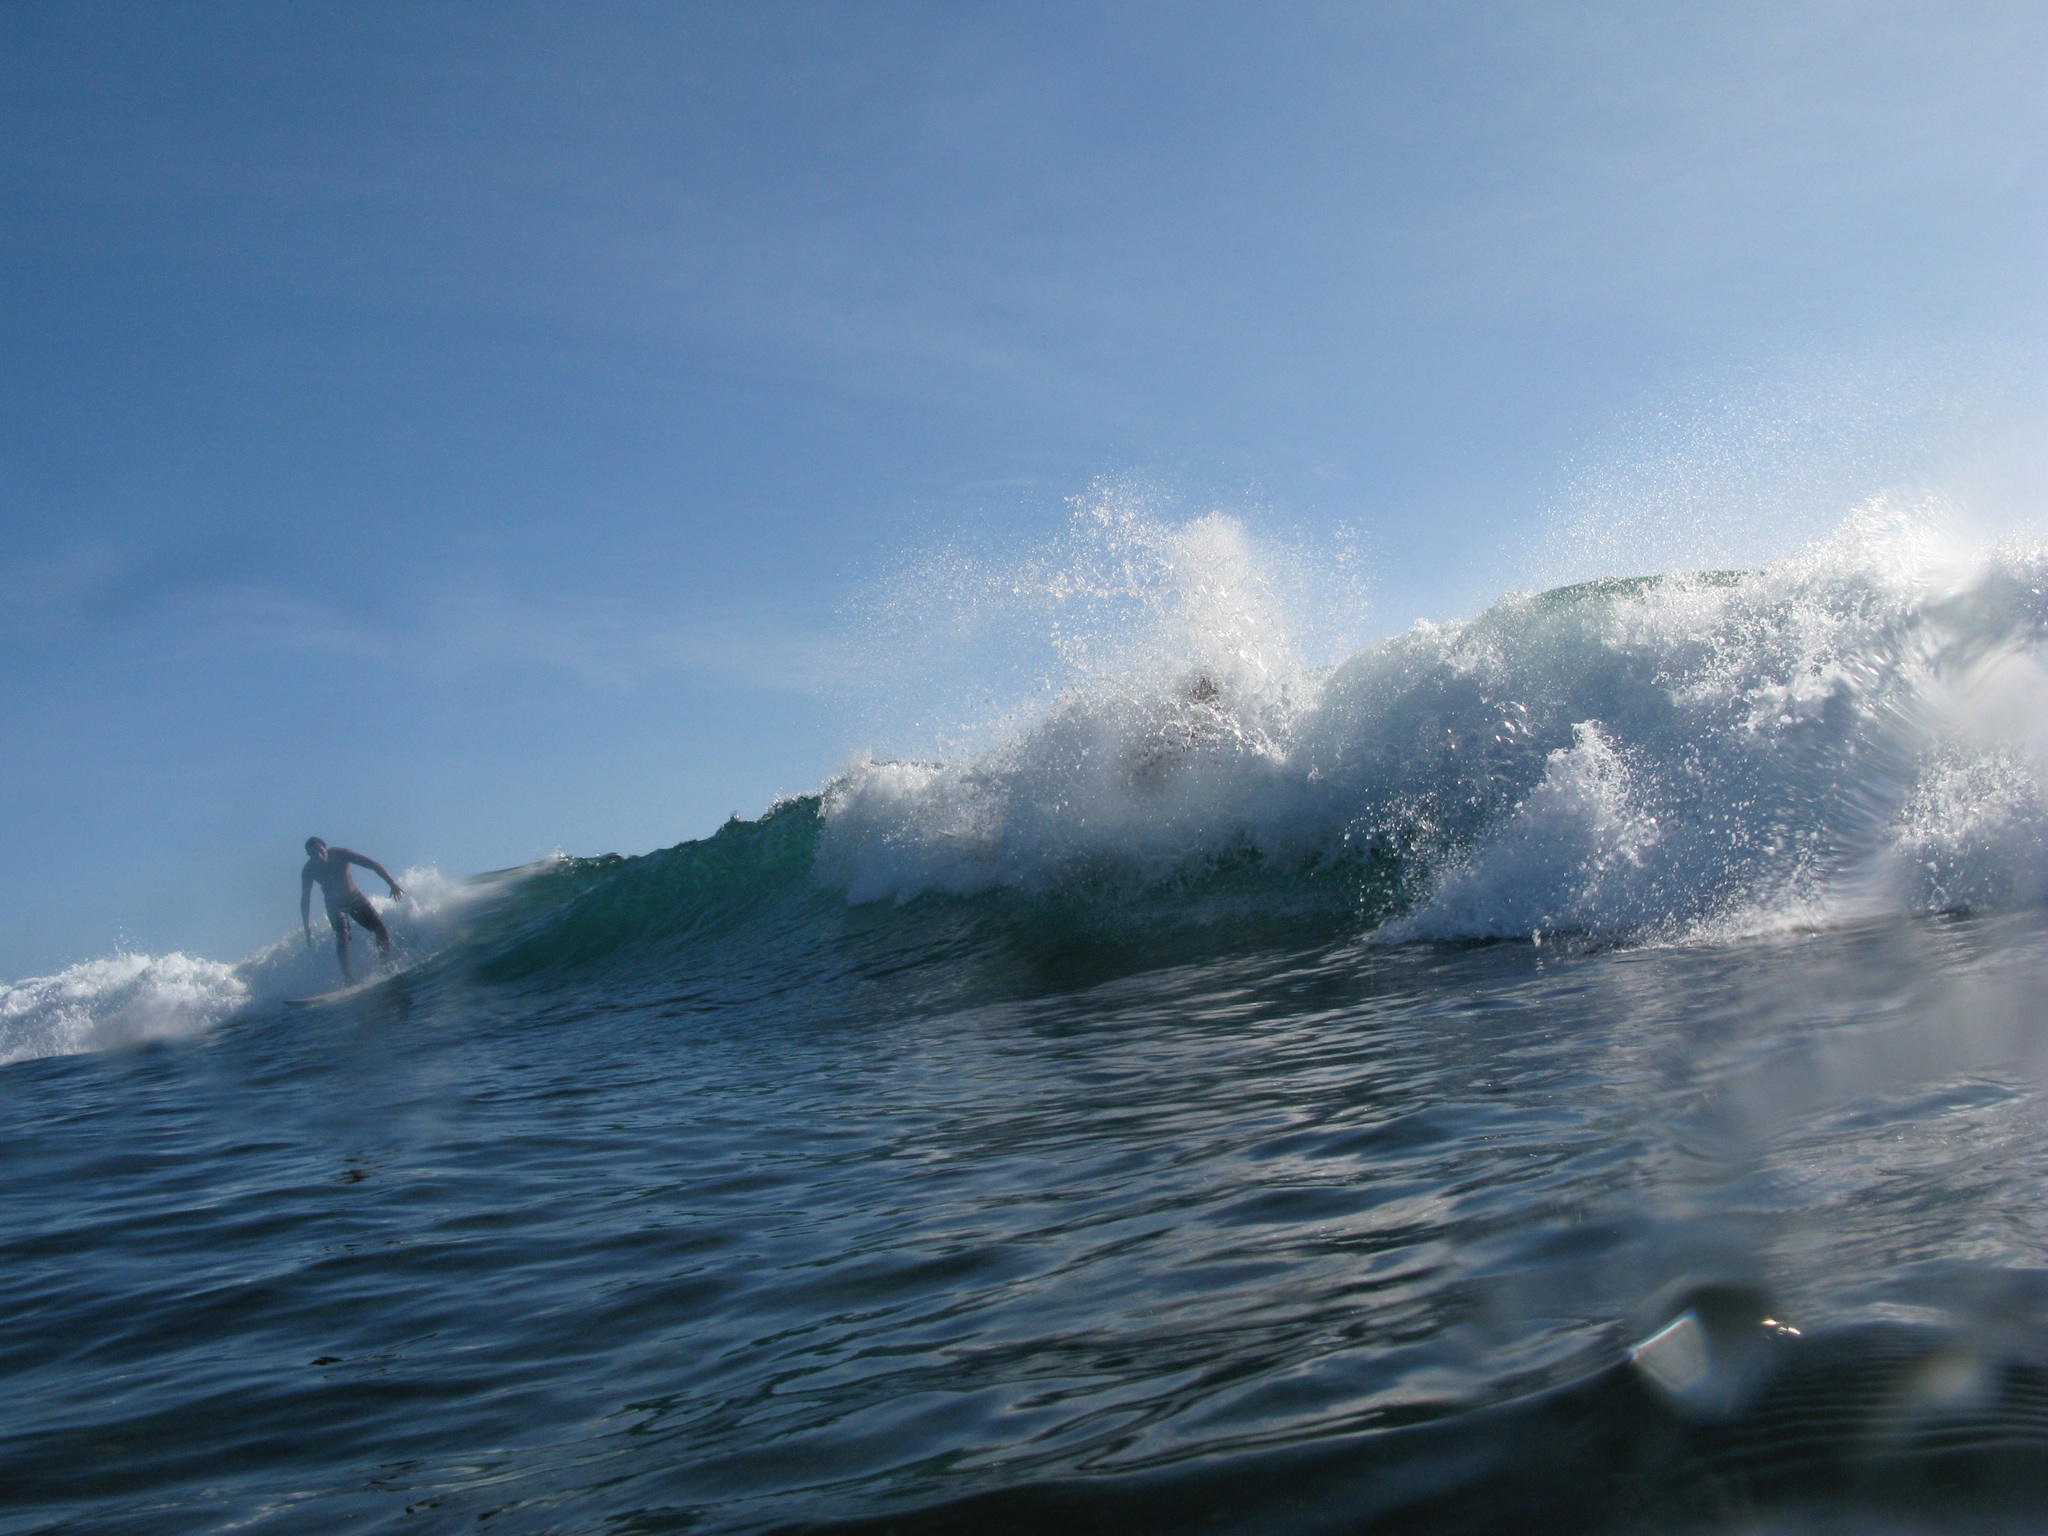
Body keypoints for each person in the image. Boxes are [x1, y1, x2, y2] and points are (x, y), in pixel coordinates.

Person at [301, 837, 404, 982]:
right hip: (334, 903)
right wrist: (306, 927)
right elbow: (305, 899)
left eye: (319, 850)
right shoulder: (309, 870)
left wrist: (392, 884)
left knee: (380, 928)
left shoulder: (341, 854)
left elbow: (373, 865)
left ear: (325, 847)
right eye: (312, 853)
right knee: (342, 934)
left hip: (355, 898)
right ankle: (348, 979)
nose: (317, 854)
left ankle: (384, 964)